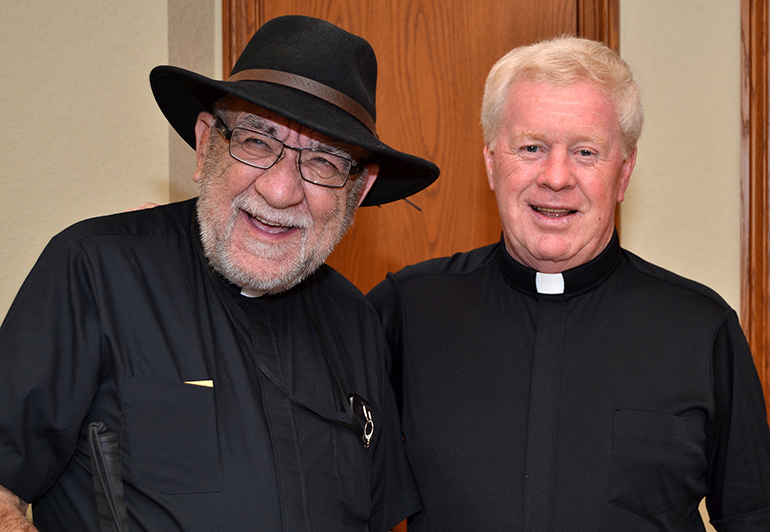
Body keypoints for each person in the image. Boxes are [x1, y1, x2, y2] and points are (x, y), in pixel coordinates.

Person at [0, 15, 439, 532]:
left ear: (357, 191)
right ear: (206, 144)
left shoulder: (357, 323)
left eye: (323, 162)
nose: (281, 191)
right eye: (256, 141)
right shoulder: (95, 271)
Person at [367, 36, 770, 531]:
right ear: (492, 163)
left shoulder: (702, 329)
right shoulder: (408, 310)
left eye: (585, 152)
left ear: (623, 173)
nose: (556, 177)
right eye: (531, 147)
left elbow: (754, 517)